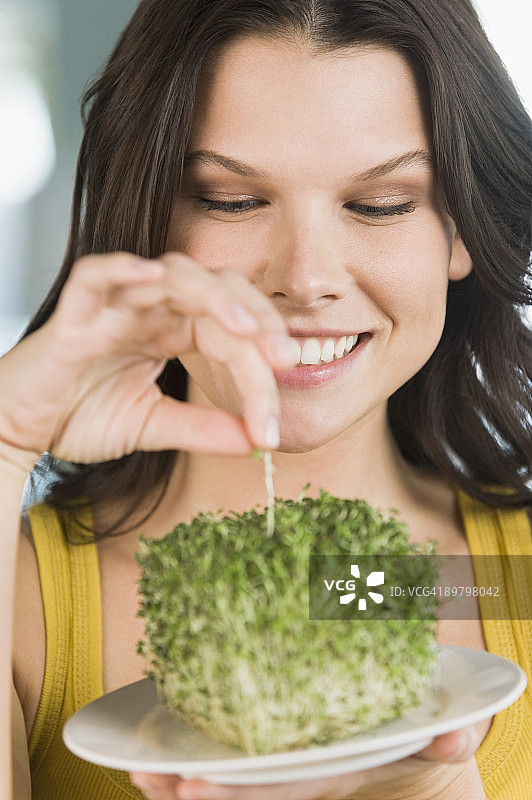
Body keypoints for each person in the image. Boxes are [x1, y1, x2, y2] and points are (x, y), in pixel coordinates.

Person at [1, 0, 530, 798]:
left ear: (459, 230)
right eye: (231, 199)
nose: (306, 278)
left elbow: (354, 589)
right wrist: (5, 441)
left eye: (379, 203)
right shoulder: (27, 603)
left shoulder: (500, 578)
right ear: (148, 219)